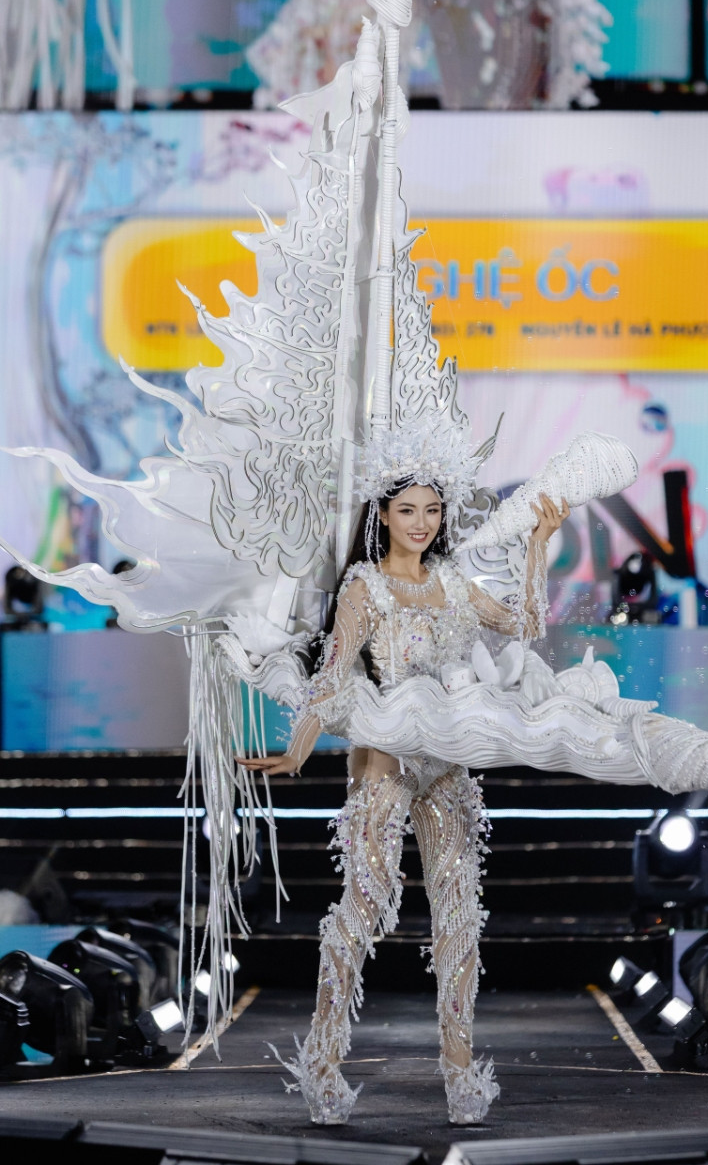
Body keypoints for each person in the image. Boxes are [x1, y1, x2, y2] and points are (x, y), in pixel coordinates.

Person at [241, 469, 570, 1127]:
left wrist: (538, 543)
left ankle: (460, 1071)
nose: (421, 523)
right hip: (385, 757)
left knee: (459, 911)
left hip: (446, 763)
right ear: (384, 516)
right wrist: (299, 749)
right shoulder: (365, 587)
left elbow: (527, 623)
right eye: (408, 510)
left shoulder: (452, 582)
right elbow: (334, 673)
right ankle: (322, 1064)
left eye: (432, 511)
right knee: (365, 901)